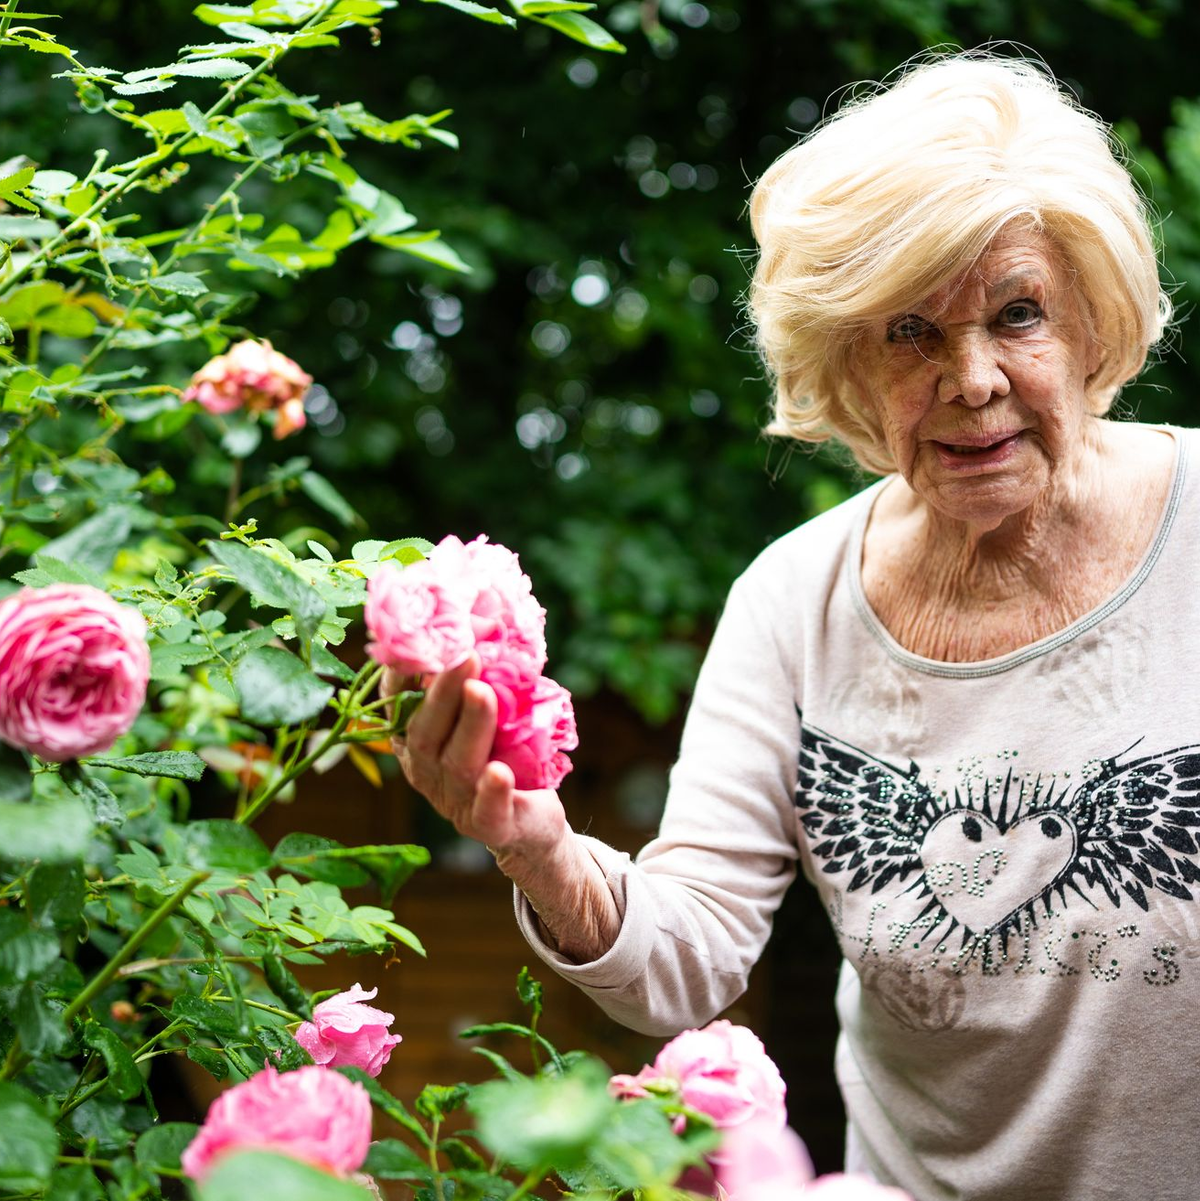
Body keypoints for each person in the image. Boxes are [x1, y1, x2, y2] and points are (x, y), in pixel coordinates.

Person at [389, 52, 1200, 1201]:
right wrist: (535, 842)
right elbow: (686, 954)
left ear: (1092, 326)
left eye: (1018, 314)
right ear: (847, 365)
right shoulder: (794, 601)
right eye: (910, 331)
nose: (971, 379)